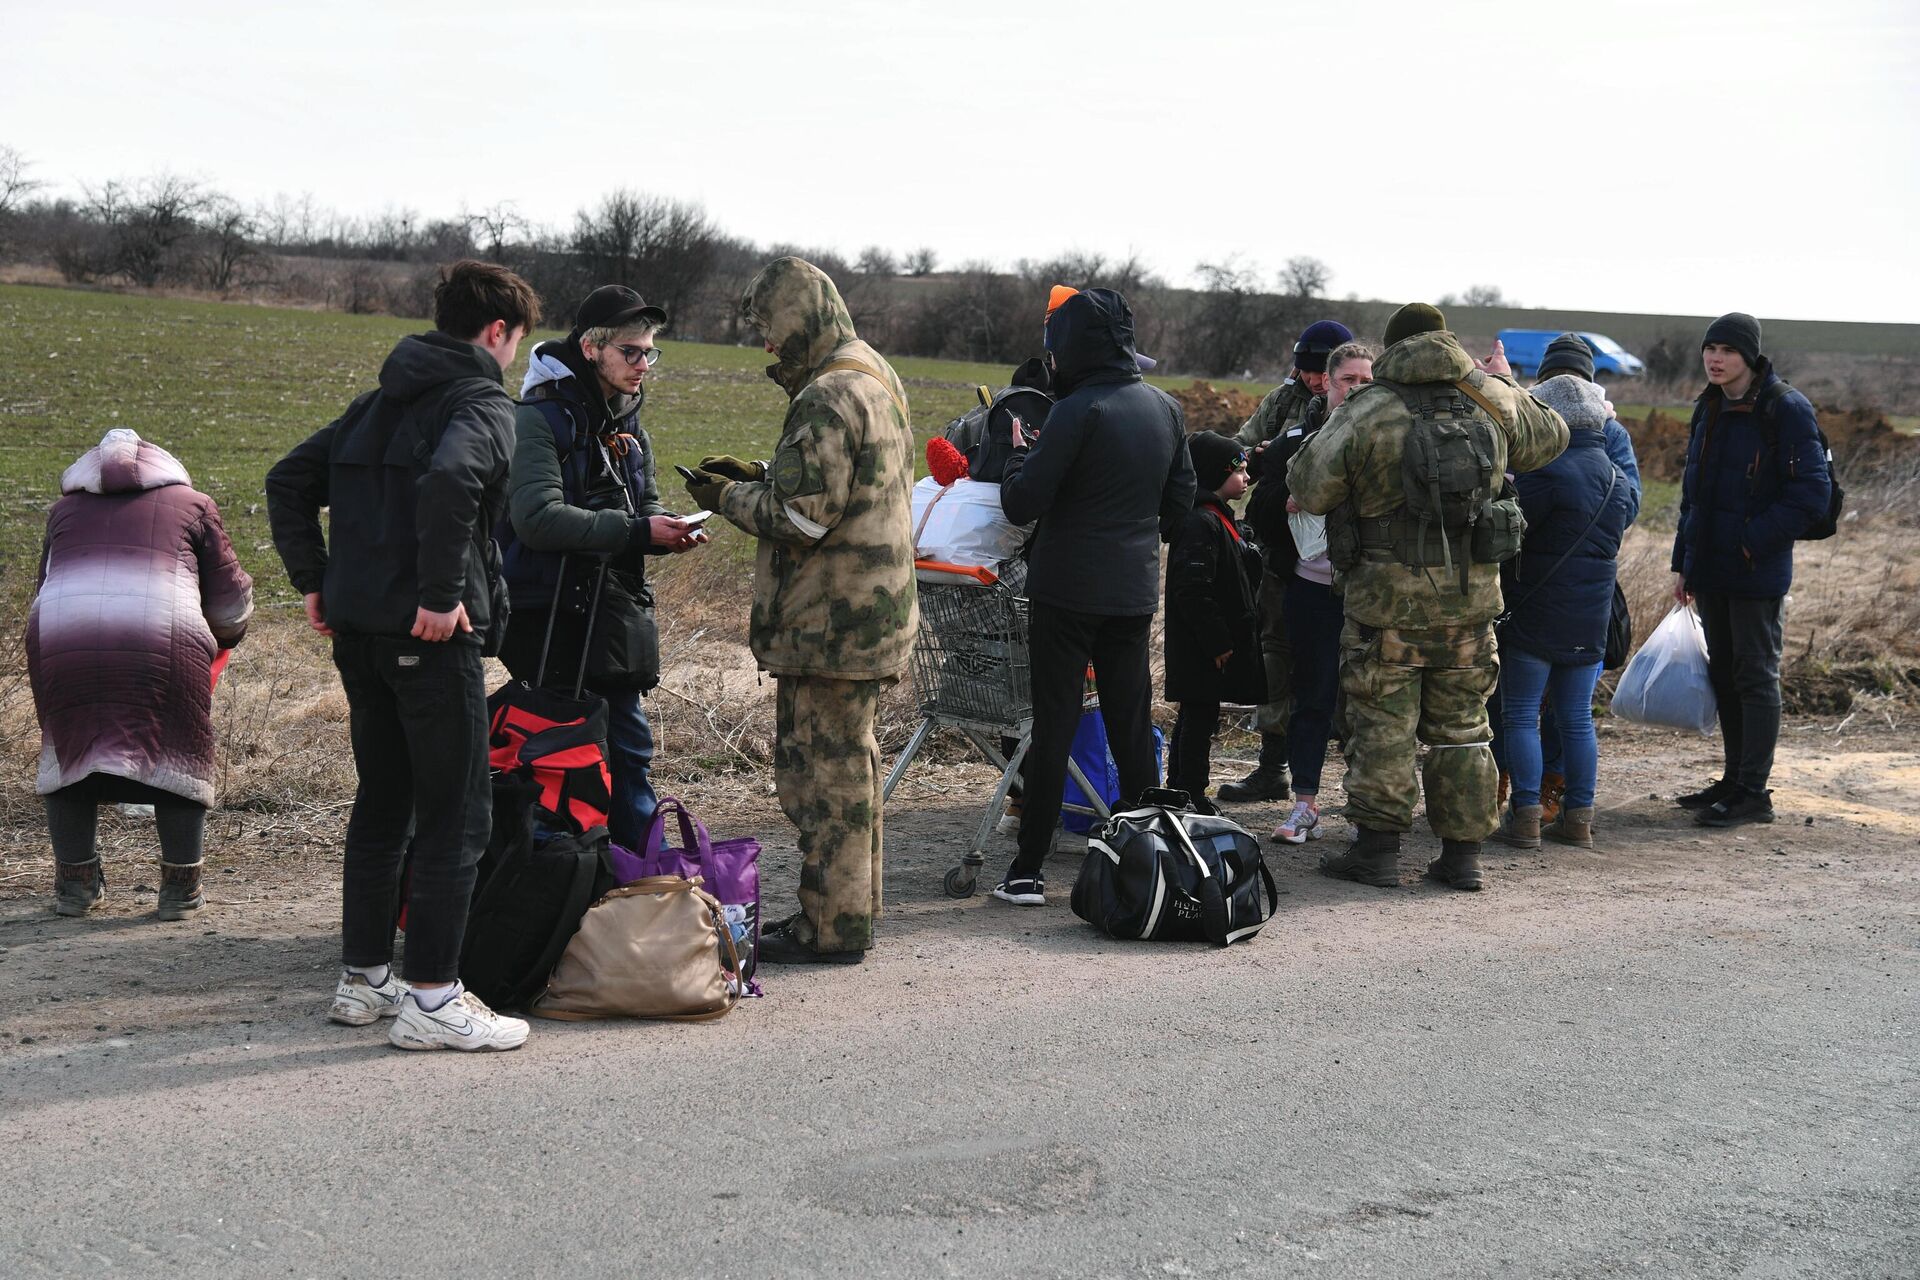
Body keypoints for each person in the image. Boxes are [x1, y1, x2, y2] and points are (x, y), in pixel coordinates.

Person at [267, 259, 539, 1051]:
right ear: (498, 332)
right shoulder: (485, 402)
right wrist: (439, 592)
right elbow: (453, 479)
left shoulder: (374, 403)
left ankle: (364, 979)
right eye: (517, 340)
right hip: (431, 638)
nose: (515, 353)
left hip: (358, 635)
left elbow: (287, 479)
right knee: (458, 815)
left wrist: (313, 582)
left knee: (384, 803)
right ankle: (433, 999)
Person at [682, 257, 916, 964]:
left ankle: (831, 928)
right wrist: (765, 471)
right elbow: (841, 483)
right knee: (855, 775)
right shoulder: (870, 370)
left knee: (822, 784)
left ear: (796, 315)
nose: (765, 344)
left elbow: (801, 519)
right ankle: (852, 913)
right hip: (873, 618)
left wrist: (723, 497)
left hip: (831, 626)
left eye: (766, 326)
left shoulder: (827, 393)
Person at [1288, 302, 1567, 891]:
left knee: (1384, 724)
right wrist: (1499, 382)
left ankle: (1379, 851)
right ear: (1448, 343)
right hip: (1471, 603)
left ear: (1390, 350)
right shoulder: (1489, 396)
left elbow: (1308, 484)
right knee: (1463, 727)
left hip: (1383, 604)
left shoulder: (1370, 407)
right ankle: (1462, 855)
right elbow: (1553, 437)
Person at [988, 287, 1196, 905]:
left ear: (1070, 350)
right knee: (1130, 723)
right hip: (1132, 591)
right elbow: (1179, 504)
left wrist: (1017, 460)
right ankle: (1146, 855)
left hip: (1066, 590)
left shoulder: (1077, 410)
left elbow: (1023, 502)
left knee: (1055, 724)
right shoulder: (1166, 409)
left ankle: (1028, 869)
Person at [499, 285, 705, 850]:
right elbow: (537, 519)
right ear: (591, 349)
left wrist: (669, 532)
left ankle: (632, 894)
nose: (643, 365)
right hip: (547, 620)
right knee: (565, 763)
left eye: (649, 353)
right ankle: (580, 891)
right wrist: (639, 532)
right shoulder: (538, 419)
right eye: (631, 353)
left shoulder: (628, 422)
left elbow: (648, 504)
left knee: (626, 756)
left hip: (611, 618)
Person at [27, 429, 253, 919]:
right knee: (178, 747)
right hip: (162, 639)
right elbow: (231, 600)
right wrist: (226, 636)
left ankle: (76, 885)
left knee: (71, 745)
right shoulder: (194, 506)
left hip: (63, 639)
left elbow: (45, 581)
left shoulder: (63, 512)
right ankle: (180, 888)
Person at [1671, 312, 1831, 828]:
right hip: (1711, 568)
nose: (1715, 359)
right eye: (1709, 349)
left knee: (1755, 676)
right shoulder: (1709, 406)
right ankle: (1733, 779)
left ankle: (1753, 793)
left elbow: (1811, 495)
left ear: (1749, 356)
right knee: (1725, 674)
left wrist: (1748, 544)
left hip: (1754, 569)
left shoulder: (1785, 408)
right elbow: (1692, 494)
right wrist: (1684, 562)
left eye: (1727, 351)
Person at [1492, 332, 1644, 819]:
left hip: (1538, 599)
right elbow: (1623, 510)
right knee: (1577, 717)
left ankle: (1530, 809)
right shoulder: (1614, 466)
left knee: (1521, 712)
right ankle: (1580, 816)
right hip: (1589, 602)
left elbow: (1510, 526)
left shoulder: (1547, 460)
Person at [1220, 318, 1354, 804]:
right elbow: (1240, 453)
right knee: (1276, 656)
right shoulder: (1284, 401)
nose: (1315, 381)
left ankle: (1345, 779)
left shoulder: (1364, 404)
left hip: (1342, 561)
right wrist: (1254, 457)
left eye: (1324, 373)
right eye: (1308, 373)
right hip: (1282, 552)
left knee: (1346, 667)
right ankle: (1272, 767)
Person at [1256, 341, 1375, 844]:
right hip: (1312, 590)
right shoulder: (1297, 441)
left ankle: (1370, 809)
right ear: (1327, 382)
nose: (1358, 389)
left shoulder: (1384, 441)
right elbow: (1259, 512)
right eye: (1350, 379)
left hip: (1370, 596)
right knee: (1313, 698)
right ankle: (1305, 805)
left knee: (1370, 705)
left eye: (1368, 381)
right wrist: (1286, 505)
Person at [1163, 433, 1262, 813]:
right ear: (1213, 474)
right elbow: (1193, 589)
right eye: (1239, 470)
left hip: (1206, 645)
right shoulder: (1200, 523)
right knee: (1198, 718)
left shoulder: (1219, 517)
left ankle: (1183, 788)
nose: (1246, 477)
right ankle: (1189, 791)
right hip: (1201, 646)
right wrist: (1218, 641)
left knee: (1199, 714)